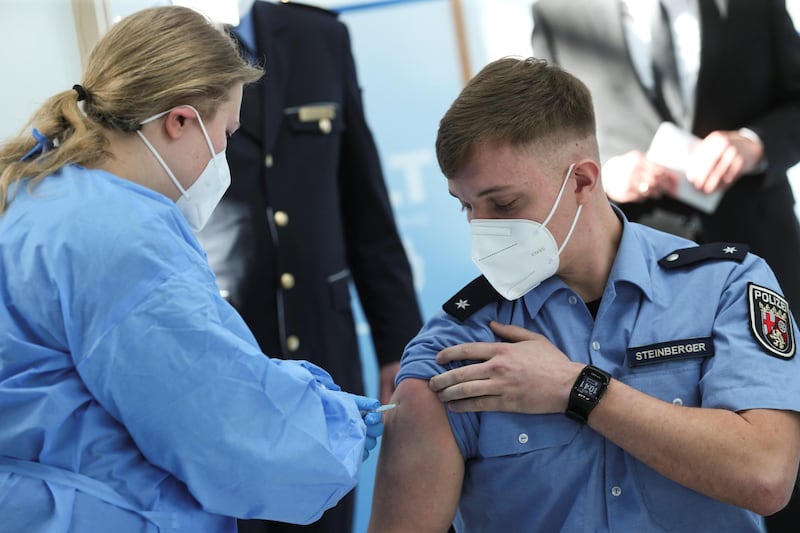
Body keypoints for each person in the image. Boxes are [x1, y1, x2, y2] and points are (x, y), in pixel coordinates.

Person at [368, 56, 800, 532]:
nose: (483, 228)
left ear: (582, 180)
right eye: (466, 205)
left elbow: (766, 476)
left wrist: (579, 390)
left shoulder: (725, 286)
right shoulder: (457, 346)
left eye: (505, 203)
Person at [0, 6, 385, 532]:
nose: (223, 157)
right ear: (179, 121)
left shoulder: (44, 196)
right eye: (226, 134)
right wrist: (331, 424)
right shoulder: (119, 236)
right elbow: (220, 421)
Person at [196, 3, 423, 532]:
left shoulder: (318, 36)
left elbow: (365, 205)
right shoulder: (161, 41)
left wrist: (400, 349)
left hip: (326, 350)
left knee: (326, 516)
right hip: (229, 354)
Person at [530, 0, 800, 327]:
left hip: (759, 248)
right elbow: (546, 137)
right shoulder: (557, 11)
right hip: (633, 263)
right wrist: (605, 176)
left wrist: (755, 143)